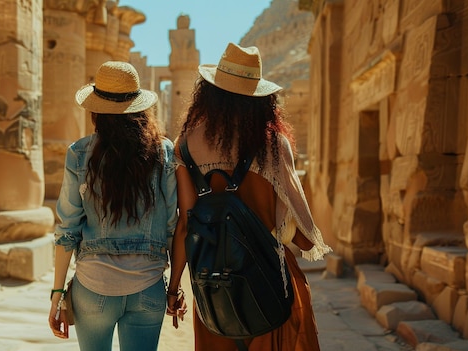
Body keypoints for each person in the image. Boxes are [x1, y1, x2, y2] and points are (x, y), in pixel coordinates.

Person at [165, 43, 332, 351]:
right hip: (268, 275)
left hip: (213, 279)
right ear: (261, 99)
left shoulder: (185, 144)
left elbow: (186, 225)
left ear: (210, 93)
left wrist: (174, 288)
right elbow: (296, 222)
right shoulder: (273, 143)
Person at [48, 61, 181, 351]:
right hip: (148, 287)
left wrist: (57, 293)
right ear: (139, 108)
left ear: (95, 111)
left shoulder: (79, 153)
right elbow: (174, 224)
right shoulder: (163, 152)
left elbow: (67, 228)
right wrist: (173, 290)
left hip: (93, 287)